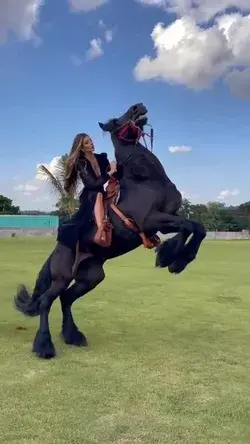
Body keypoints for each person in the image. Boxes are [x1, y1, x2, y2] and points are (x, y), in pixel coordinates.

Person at [57, 132, 117, 250]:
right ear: (82, 147)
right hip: (91, 195)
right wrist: (110, 173)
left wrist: (115, 165)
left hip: (101, 191)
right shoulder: (81, 162)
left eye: (90, 141)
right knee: (98, 193)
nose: (91, 143)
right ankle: (101, 230)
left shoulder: (101, 157)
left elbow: (113, 171)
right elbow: (92, 184)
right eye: (87, 142)